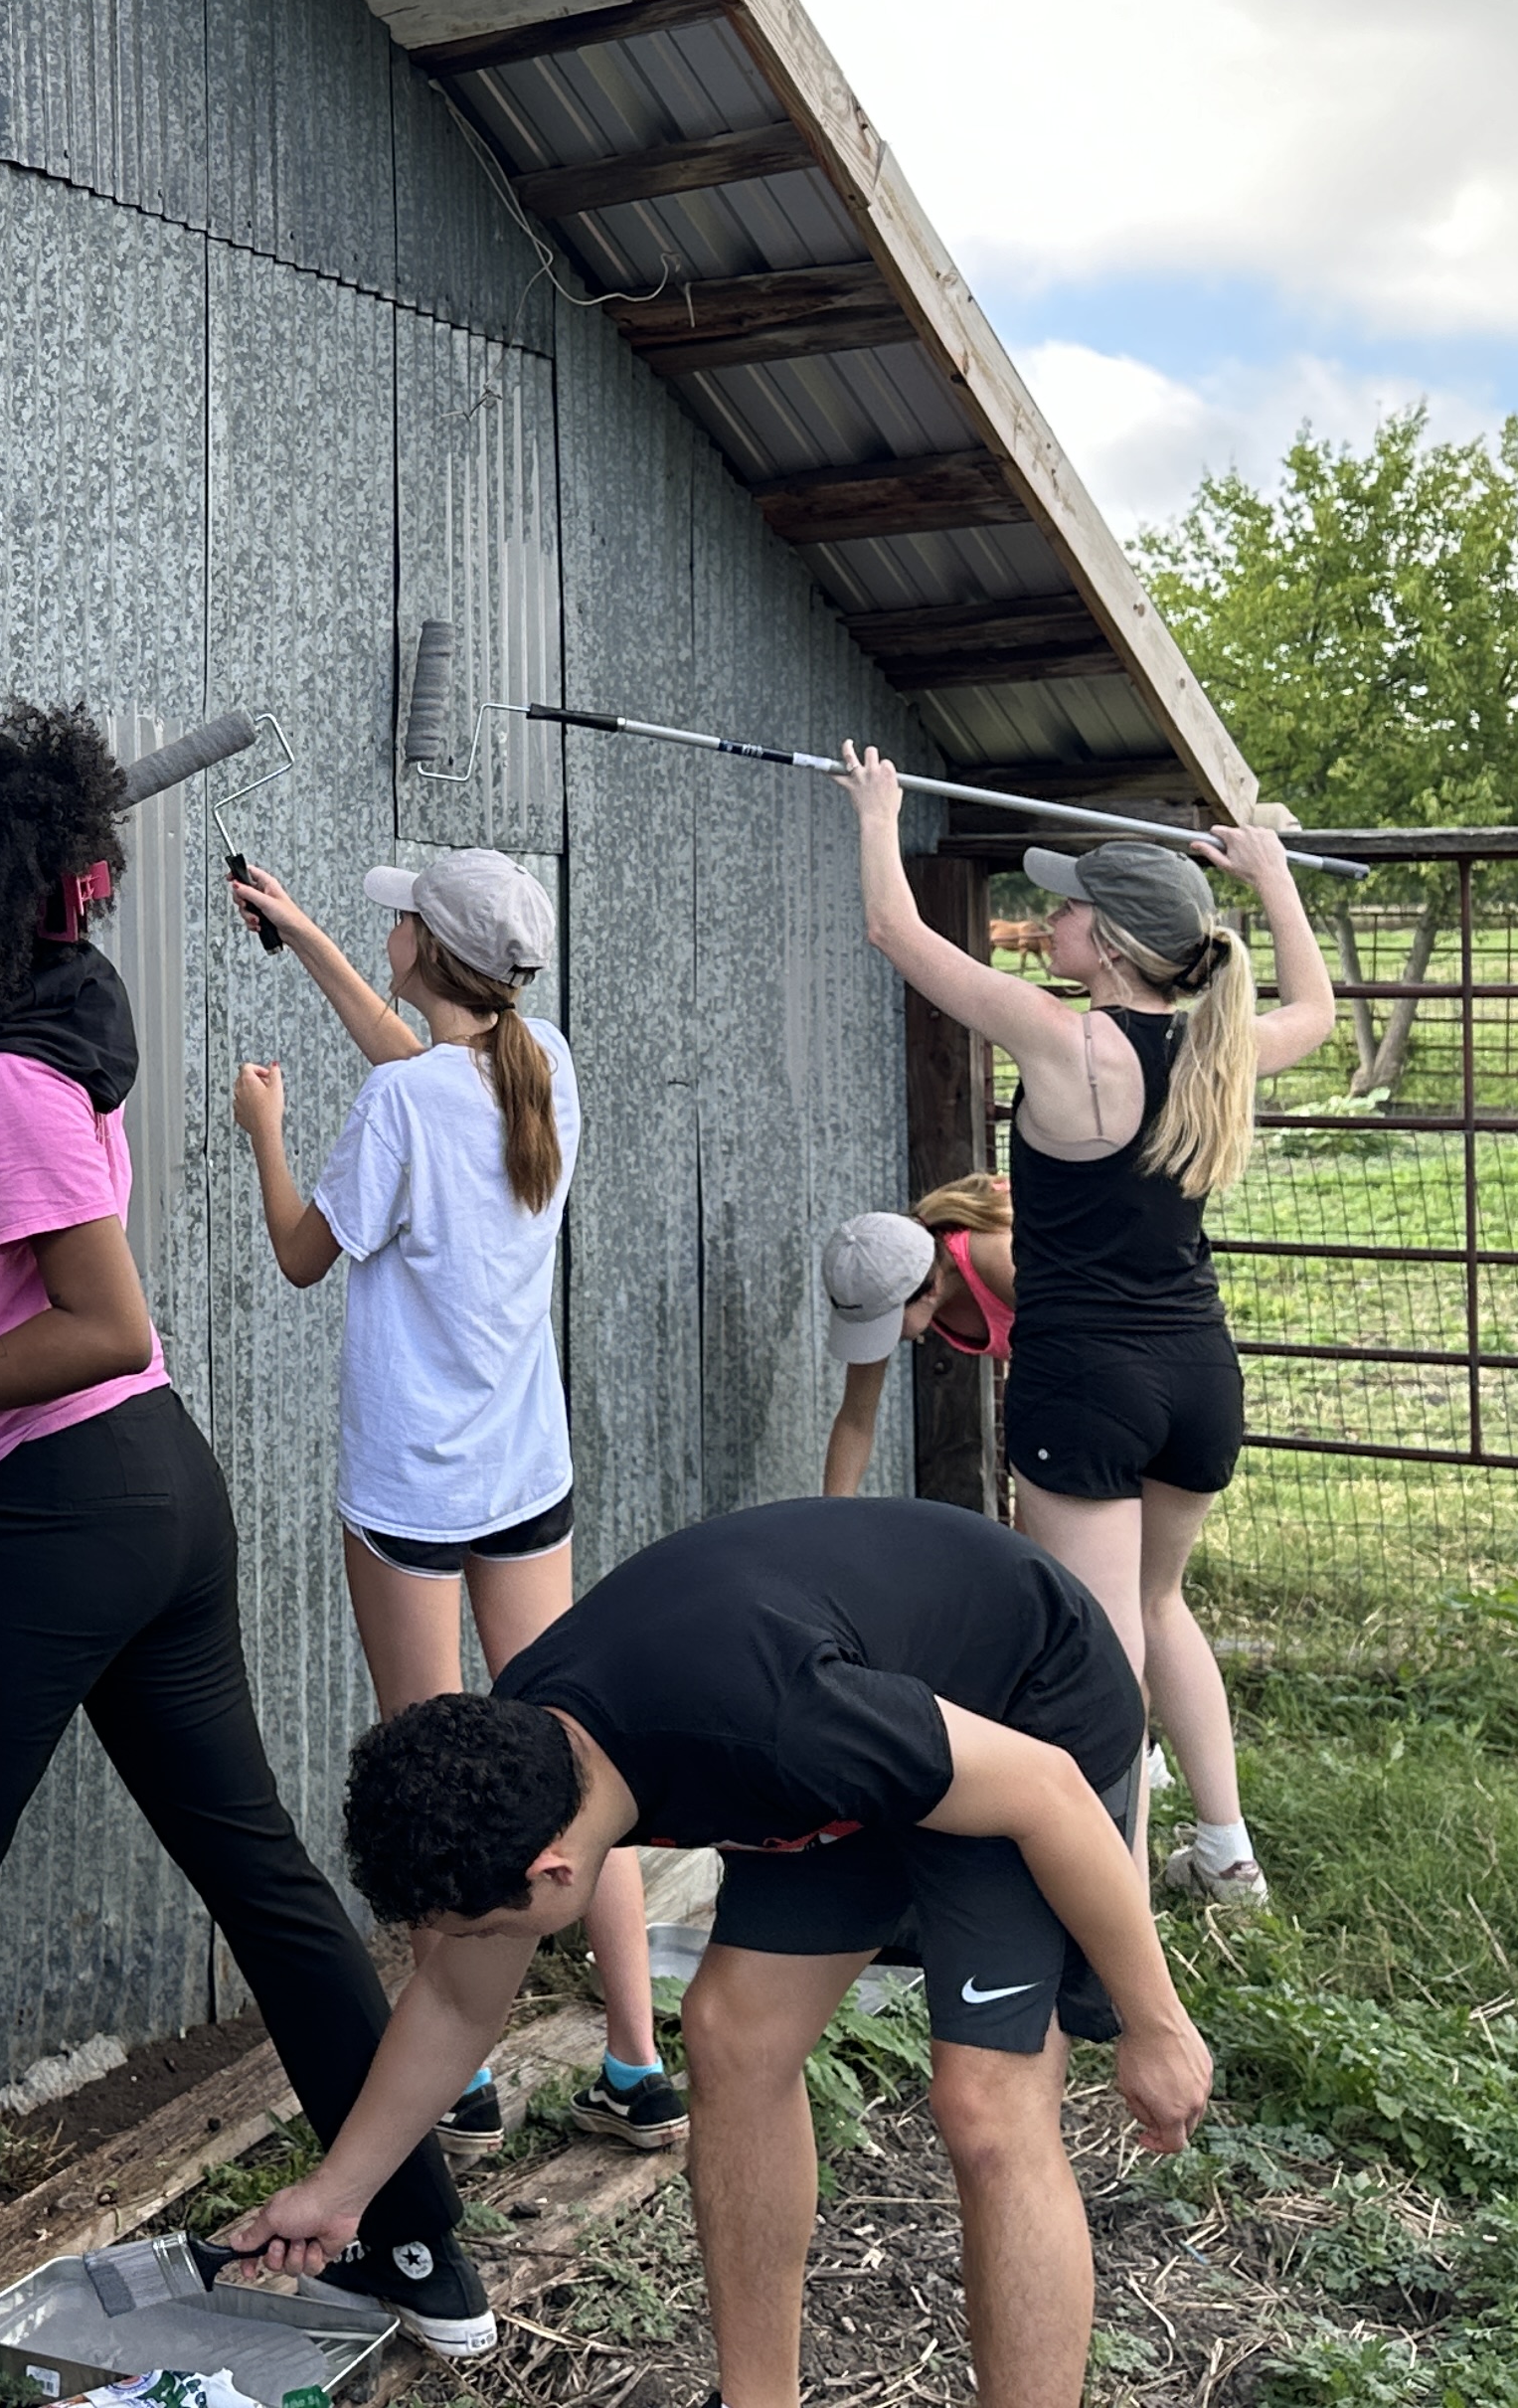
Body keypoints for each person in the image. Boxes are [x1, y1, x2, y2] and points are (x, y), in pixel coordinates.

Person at [0, 502, 493, 2405]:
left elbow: (109, 1321)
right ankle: (423, 2250)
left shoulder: (3, 1076)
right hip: (151, 1500)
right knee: (253, 1870)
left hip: (63, 1492)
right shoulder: (32, 985)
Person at [220, 1500, 1216, 2408]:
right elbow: (451, 2004)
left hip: (1022, 1703)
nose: (474, 1951)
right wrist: (337, 2192)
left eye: (484, 1928)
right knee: (731, 2034)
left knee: (985, 2105)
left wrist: (1155, 2024)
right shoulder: (522, 1752)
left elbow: (1046, 1791)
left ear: (556, 1872)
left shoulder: (774, 1722)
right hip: (863, 1739)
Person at [221, 849, 678, 2157]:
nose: (394, 929)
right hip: (525, 1476)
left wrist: (264, 1133)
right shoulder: (546, 1065)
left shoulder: (403, 1106)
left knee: (431, 1777)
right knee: (577, 1754)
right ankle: (638, 2064)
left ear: (427, 946)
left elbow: (306, 1257)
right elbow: (412, 1057)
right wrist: (306, 934)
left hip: (413, 1488)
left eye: (397, 919)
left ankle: (459, 2083)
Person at [835, 757, 1336, 1912]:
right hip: (1199, 1373)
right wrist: (1270, 878)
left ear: (1107, 942)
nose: (1048, 920)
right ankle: (1224, 1855)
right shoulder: (1219, 1052)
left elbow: (893, 931)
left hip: (1088, 1379)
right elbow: (1313, 1010)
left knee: (1099, 1648)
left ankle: (1103, 1906)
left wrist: (877, 813)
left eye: (1066, 906)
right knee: (1161, 1609)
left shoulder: (1067, 1045)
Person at [819, 1175, 1017, 1499]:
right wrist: (833, 1517)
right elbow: (856, 1418)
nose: (882, 1334)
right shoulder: (889, 1275)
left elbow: (1094, 1345)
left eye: (887, 1320)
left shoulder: (1002, 1260)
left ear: (932, 1289)